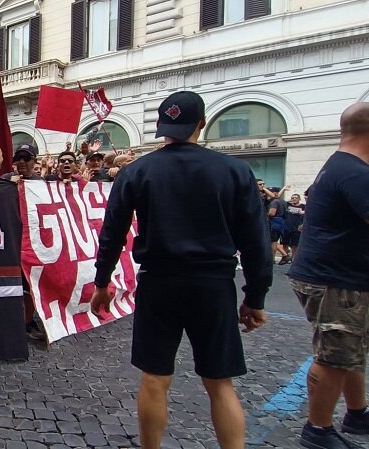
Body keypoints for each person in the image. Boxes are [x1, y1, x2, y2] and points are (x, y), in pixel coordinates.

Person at [91, 91, 271, 449]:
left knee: (155, 379)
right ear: (201, 124)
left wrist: (102, 282)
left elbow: (112, 234)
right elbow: (255, 241)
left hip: (159, 282)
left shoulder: (136, 171)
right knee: (220, 382)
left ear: (162, 127)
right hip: (213, 283)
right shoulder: (235, 171)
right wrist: (256, 297)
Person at [288, 102, 369, 449]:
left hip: (335, 275)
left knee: (350, 350)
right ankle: (318, 430)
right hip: (337, 280)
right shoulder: (354, 173)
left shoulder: (341, 167)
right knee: (335, 356)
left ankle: (357, 412)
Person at [279, 193, 305, 264]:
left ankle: (294, 259)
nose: (294, 199)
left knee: (295, 244)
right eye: (292, 198)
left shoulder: (303, 206)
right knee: (285, 243)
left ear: (299, 199)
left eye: (296, 198)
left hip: (296, 228)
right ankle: (284, 257)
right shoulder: (287, 205)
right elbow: (281, 201)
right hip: (286, 227)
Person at [267, 187, 289, 263]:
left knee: (273, 241)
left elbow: (272, 213)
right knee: (275, 241)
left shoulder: (274, 202)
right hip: (281, 222)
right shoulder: (282, 201)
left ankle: (273, 258)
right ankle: (284, 255)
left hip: (274, 222)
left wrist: (265, 215)